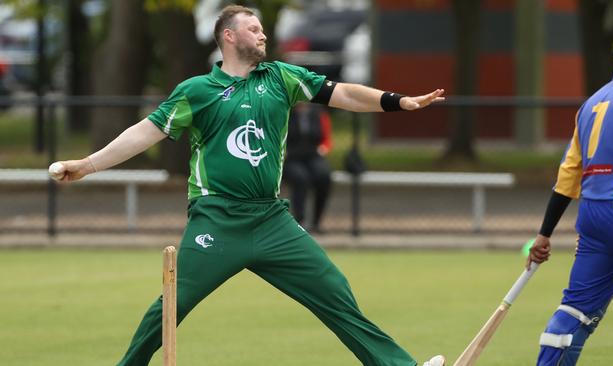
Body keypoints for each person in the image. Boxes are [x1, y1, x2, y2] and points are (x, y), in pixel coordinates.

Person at [50, 5, 446, 366]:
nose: (263, 35)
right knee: (171, 306)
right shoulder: (196, 92)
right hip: (217, 220)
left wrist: (397, 101)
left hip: (272, 220)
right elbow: (144, 132)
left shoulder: (281, 77)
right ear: (229, 36)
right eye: (253, 29)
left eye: (262, 29)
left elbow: (341, 93)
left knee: (334, 292)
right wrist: (86, 164)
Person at [527, 20, 613, 366]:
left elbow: (569, 174)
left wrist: (544, 234)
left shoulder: (592, 103)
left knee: (576, 309)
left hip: (593, 219)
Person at [284, 102, 333, 233]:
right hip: (291, 157)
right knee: (300, 178)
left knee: (323, 176)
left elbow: (326, 139)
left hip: (313, 154)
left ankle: (317, 221)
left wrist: (323, 149)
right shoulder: (286, 112)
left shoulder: (318, 113)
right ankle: (299, 221)